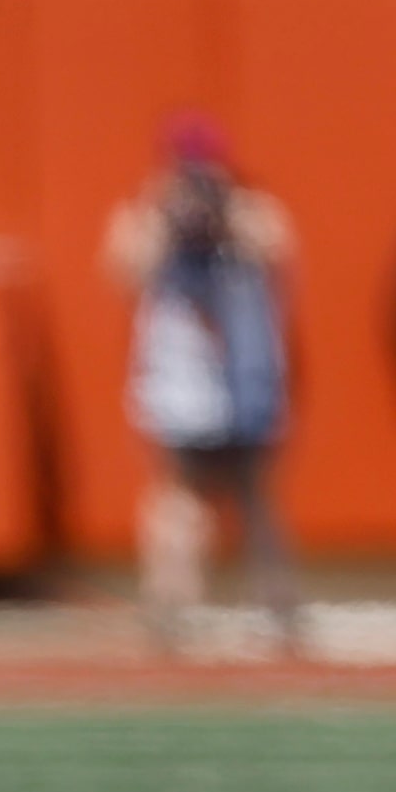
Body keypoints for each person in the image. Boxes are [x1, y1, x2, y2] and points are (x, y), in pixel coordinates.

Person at [104, 116, 297, 652]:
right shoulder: (149, 218)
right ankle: (171, 613)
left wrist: (224, 218)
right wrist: (165, 221)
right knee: (176, 500)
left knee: (256, 499)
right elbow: (122, 268)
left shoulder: (251, 213)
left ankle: (280, 615)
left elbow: (279, 252)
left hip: (243, 386)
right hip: (179, 388)